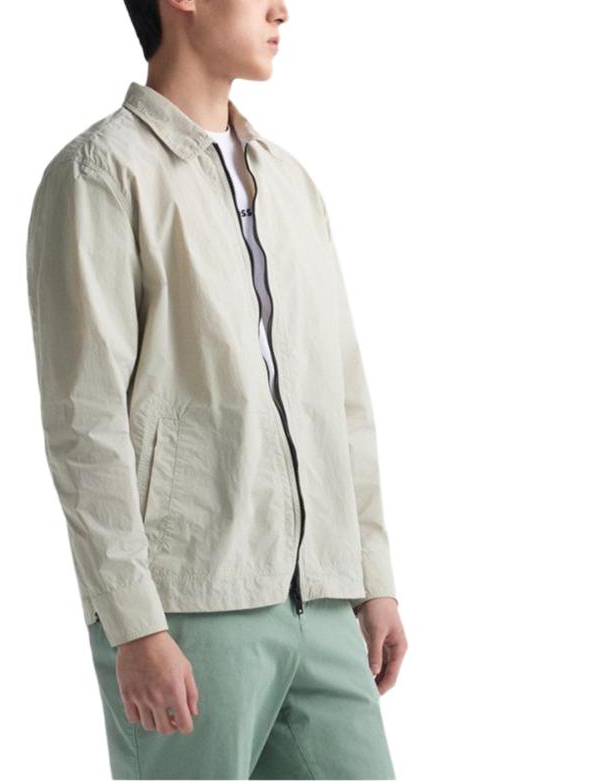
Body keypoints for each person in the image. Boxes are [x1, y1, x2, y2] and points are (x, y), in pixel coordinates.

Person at [26, 1, 407, 777]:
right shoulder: (102, 174)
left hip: (322, 603)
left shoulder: (290, 182)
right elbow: (85, 421)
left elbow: (343, 400)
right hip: (188, 609)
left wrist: (372, 578)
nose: (281, 10)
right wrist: (135, 623)